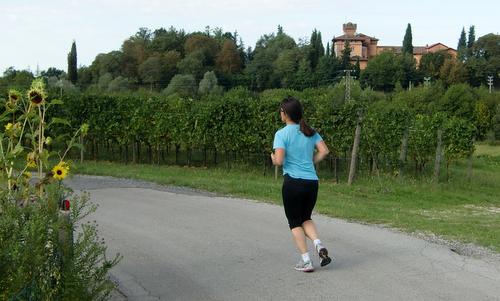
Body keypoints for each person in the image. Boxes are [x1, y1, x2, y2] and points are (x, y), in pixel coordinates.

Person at [271, 96, 332, 273]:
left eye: (281, 111)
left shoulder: (281, 134)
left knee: (294, 222)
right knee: (306, 217)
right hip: (311, 182)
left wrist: (274, 159)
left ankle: (306, 261)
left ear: (286, 113)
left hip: (293, 183)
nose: (280, 113)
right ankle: (318, 244)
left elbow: (280, 160)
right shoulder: (310, 131)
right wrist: (312, 161)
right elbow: (324, 151)